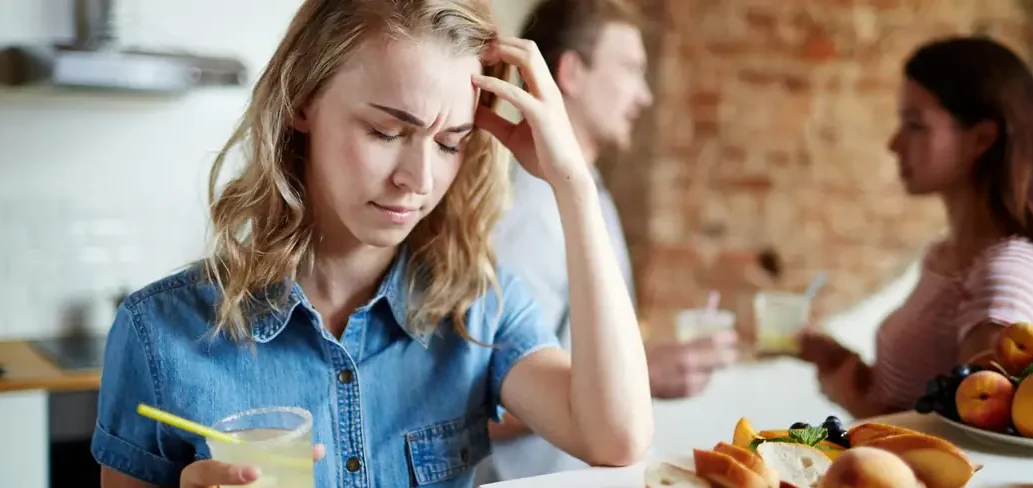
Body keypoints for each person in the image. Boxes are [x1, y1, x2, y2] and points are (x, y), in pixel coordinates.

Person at [90, 1, 654, 487]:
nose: (420, 178)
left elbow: (616, 438)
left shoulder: (480, 311)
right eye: (387, 132)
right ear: (301, 101)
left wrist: (571, 183)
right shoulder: (157, 335)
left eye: (450, 144)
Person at [478, 0, 740, 483]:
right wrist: (638, 376)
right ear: (572, 72)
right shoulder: (532, 210)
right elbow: (479, 400)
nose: (644, 96)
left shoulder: (588, 193)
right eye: (631, 70)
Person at [798, 36, 1033, 419]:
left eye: (915, 125)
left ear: (981, 138)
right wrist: (845, 366)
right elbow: (924, 394)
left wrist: (856, 399)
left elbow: (976, 436)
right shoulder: (945, 255)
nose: (894, 143)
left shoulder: (1008, 272)